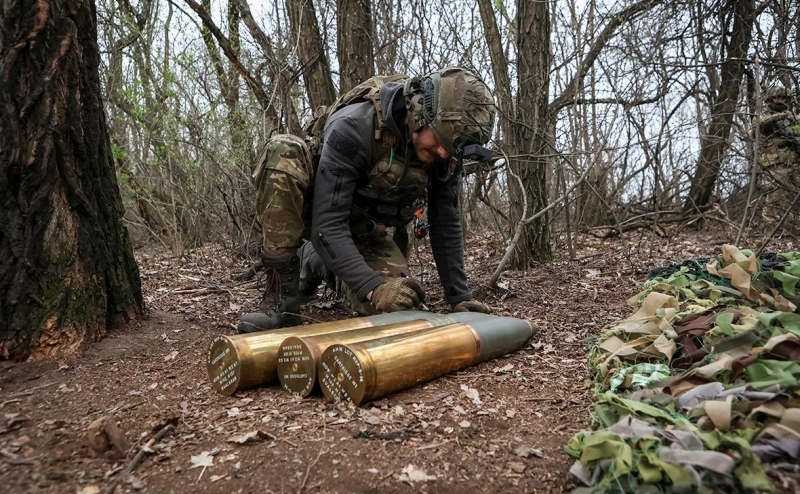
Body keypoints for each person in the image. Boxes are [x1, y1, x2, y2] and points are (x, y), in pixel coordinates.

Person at [237, 67, 496, 333]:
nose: (443, 153)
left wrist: (460, 298)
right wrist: (372, 288)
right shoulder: (354, 125)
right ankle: (282, 300)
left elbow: (445, 222)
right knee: (284, 151)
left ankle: (316, 261)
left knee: (399, 308)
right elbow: (327, 226)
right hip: (316, 214)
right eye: (441, 142)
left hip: (364, 228)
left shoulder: (446, 154)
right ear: (420, 112)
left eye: (451, 149)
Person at [756, 86, 800, 227]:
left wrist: (793, 120)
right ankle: (770, 233)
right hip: (776, 164)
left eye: (783, 98)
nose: (780, 101)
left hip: (794, 162)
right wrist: (780, 116)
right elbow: (757, 126)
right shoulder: (764, 115)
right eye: (777, 98)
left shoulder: (792, 118)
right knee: (773, 200)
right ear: (770, 99)